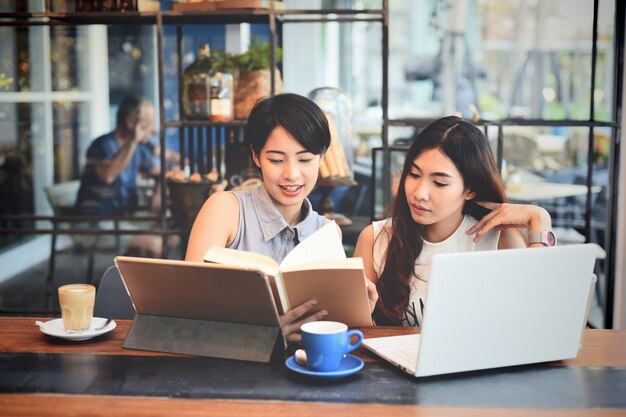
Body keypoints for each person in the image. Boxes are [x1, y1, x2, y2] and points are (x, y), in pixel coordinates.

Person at [185, 93, 378, 342]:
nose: (292, 174)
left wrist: (359, 312)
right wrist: (266, 334)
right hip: (229, 371)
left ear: (321, 157)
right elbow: (186, 312)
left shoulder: (328, 231)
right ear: (256, 156)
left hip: (305, 370)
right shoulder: (225, 209)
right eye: (276, 160)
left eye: (305, 159)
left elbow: (332, 327)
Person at [354, 116, 553, 326]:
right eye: (414, 174)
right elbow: (356, 335)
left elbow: (538, 315)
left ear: (470, 189)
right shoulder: (375, 238)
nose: (420, 193)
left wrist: (540, 219)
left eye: (439, 183)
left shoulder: (498, 240)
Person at [74, 94, 172, 257]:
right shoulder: (102, 145)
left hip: (122, 218)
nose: (152, 129)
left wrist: (158, 191)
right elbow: (108, 176)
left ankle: (128, 279)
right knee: (156, 244)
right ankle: (129, 280)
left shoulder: (138, 149)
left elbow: (162, 171)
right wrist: (133, 141)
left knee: (171, 235)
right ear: (130, 122)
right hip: (95, 223)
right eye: (146, 123)